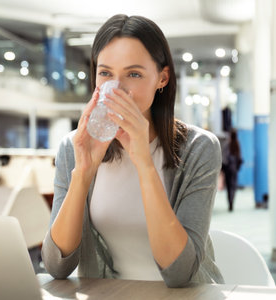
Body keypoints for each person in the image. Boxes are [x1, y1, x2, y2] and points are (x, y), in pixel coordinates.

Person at [41, 14, 224, 288]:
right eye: (105, 73)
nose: (117, 88)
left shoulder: (199, 148)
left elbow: (180, 273)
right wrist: (83, 173)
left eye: (134, 74)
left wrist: (144, 162)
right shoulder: (74, 146)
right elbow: (57, 265)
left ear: (162, 78)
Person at [222, 129, 242, 211]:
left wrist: (224, 166)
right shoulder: (237, 144)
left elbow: (224, 157)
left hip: (228, 168)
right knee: (233, 186)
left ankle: (229, 201)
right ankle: (232, 202)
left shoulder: (227, 144)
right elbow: (239, 157)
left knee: (229, 186)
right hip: (234, 169)